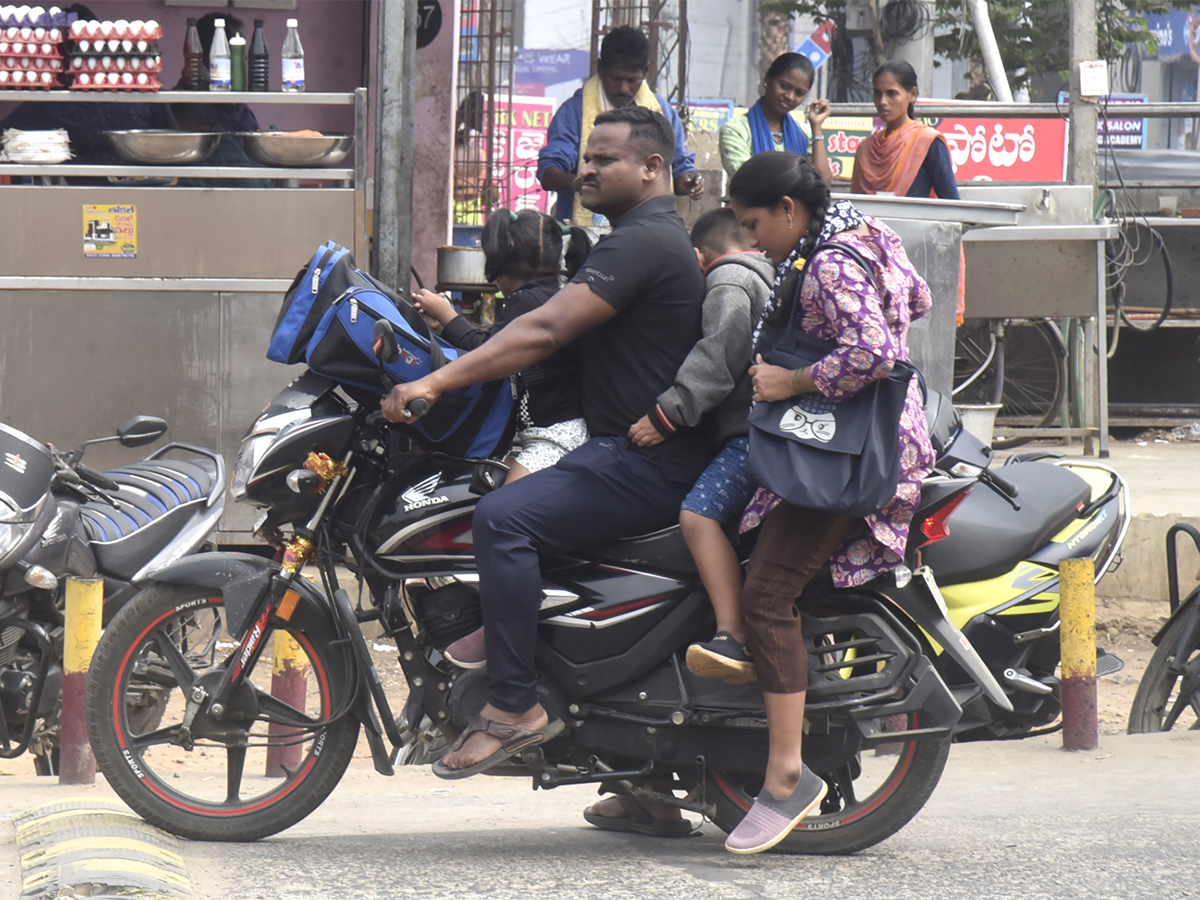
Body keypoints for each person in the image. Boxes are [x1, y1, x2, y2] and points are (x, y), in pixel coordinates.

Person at [381, 108, 710, 801]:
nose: (585, 168)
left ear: (652, 168)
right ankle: (640, 781)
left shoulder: (641, 243)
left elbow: (544, 330)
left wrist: (434, 382)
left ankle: (514, 704)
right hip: (625, 449)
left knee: (502, 520)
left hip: (641, 461)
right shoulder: (636, 241)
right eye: (585, 157)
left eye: (605, 159)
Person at [719, 152, 934, 854]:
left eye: (755, 226)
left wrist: (794, 380)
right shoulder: (866, 230)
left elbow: (873, 351)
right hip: (874, 440)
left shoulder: (831, 260)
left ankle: (786, 774)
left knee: (767, 596)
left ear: (788, 209)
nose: (753, 243)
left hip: (849, 455)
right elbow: (920, 299)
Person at [413, 208, 593, 671]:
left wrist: (449, 318)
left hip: (557, 437)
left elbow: (492, 356)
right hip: (556, 431)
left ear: (501, 264)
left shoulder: (528, 302)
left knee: (502, 527)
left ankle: (501, 628)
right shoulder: (552, 293)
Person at [624, 207, 773, 684]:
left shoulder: (728, 278)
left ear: (696, 257)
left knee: (698, 515)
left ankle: (732, 634)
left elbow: (719, 355)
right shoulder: (767, 272)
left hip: (753, 435)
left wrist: (668, 413)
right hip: (772, 429)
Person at [537, 25, 703, 225]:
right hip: (584, 230)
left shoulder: (663, 112)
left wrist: (688, 182)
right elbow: (548, 172)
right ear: (600, 68)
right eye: (615, 79)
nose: (624, 88)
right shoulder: (574, 112)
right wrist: (578, 183)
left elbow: (677, 169)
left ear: (646, 72)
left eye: (632, 80)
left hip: (648, 226)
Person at [719, 52, 834, 186]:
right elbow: (748, 182)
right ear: (767, 79)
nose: (790, 97)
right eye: (784, 86)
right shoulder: (736, 130)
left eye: (799, 93)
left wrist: (816, 127)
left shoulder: (805, 133)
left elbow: (823, 183)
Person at [850, 60, 959, 200]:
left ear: (912, 94)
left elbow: (950, 202)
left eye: (892, 94)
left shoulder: (927, 142)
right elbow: (854, 207)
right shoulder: (866, 148)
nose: (883, 101)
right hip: (868, 221)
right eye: (878, 93)